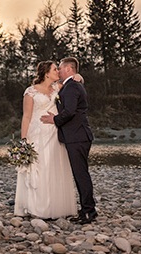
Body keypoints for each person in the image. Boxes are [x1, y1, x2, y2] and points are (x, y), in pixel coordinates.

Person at [14, 60, 77, 219]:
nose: (58, 71)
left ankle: (56, 207)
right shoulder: (31, 92)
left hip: (55, 133)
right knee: (40, 168)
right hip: (37, 134)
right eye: (55, 69)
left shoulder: (58, 87)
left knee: (55, 167)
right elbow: (26, 116)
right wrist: (24, 140)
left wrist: (78, 76)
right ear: (46, 73)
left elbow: (77, 79)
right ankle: (37, 208)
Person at [40, 57, 97, 224]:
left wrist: (55, 120)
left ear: (69, 70)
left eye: (60, 68)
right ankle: (87, 209)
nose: (58, 71)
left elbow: (70, 111)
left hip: (78, 137)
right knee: (80, 174)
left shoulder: (72, 86)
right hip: (77, 136)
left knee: (81, 175)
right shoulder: (71, 85)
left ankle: (89, 212)